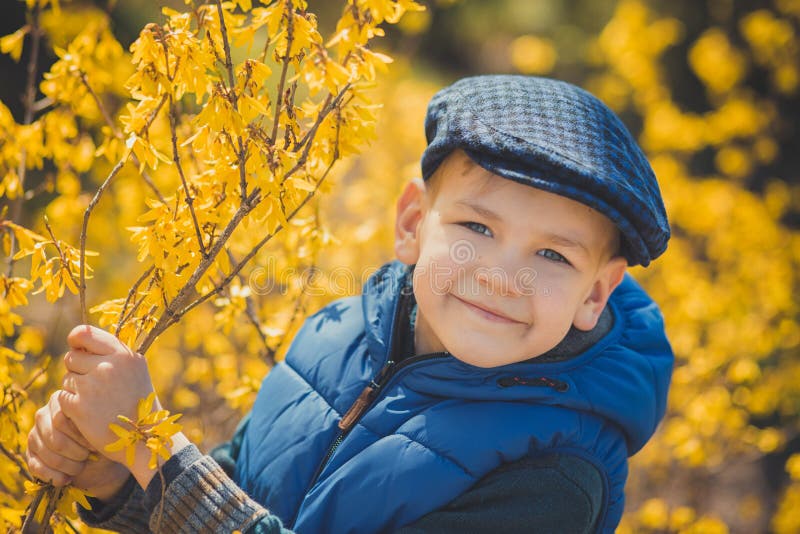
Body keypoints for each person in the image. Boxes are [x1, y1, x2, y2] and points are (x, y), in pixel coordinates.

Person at [26, 75, 674, 533]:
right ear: (413, 224)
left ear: (596, 293)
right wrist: (115, 481)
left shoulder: (554, 478)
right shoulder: (336, 338)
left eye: (553, 256)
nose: (504, 279)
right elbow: (237, 499)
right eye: (477, 229)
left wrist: (151, 446)